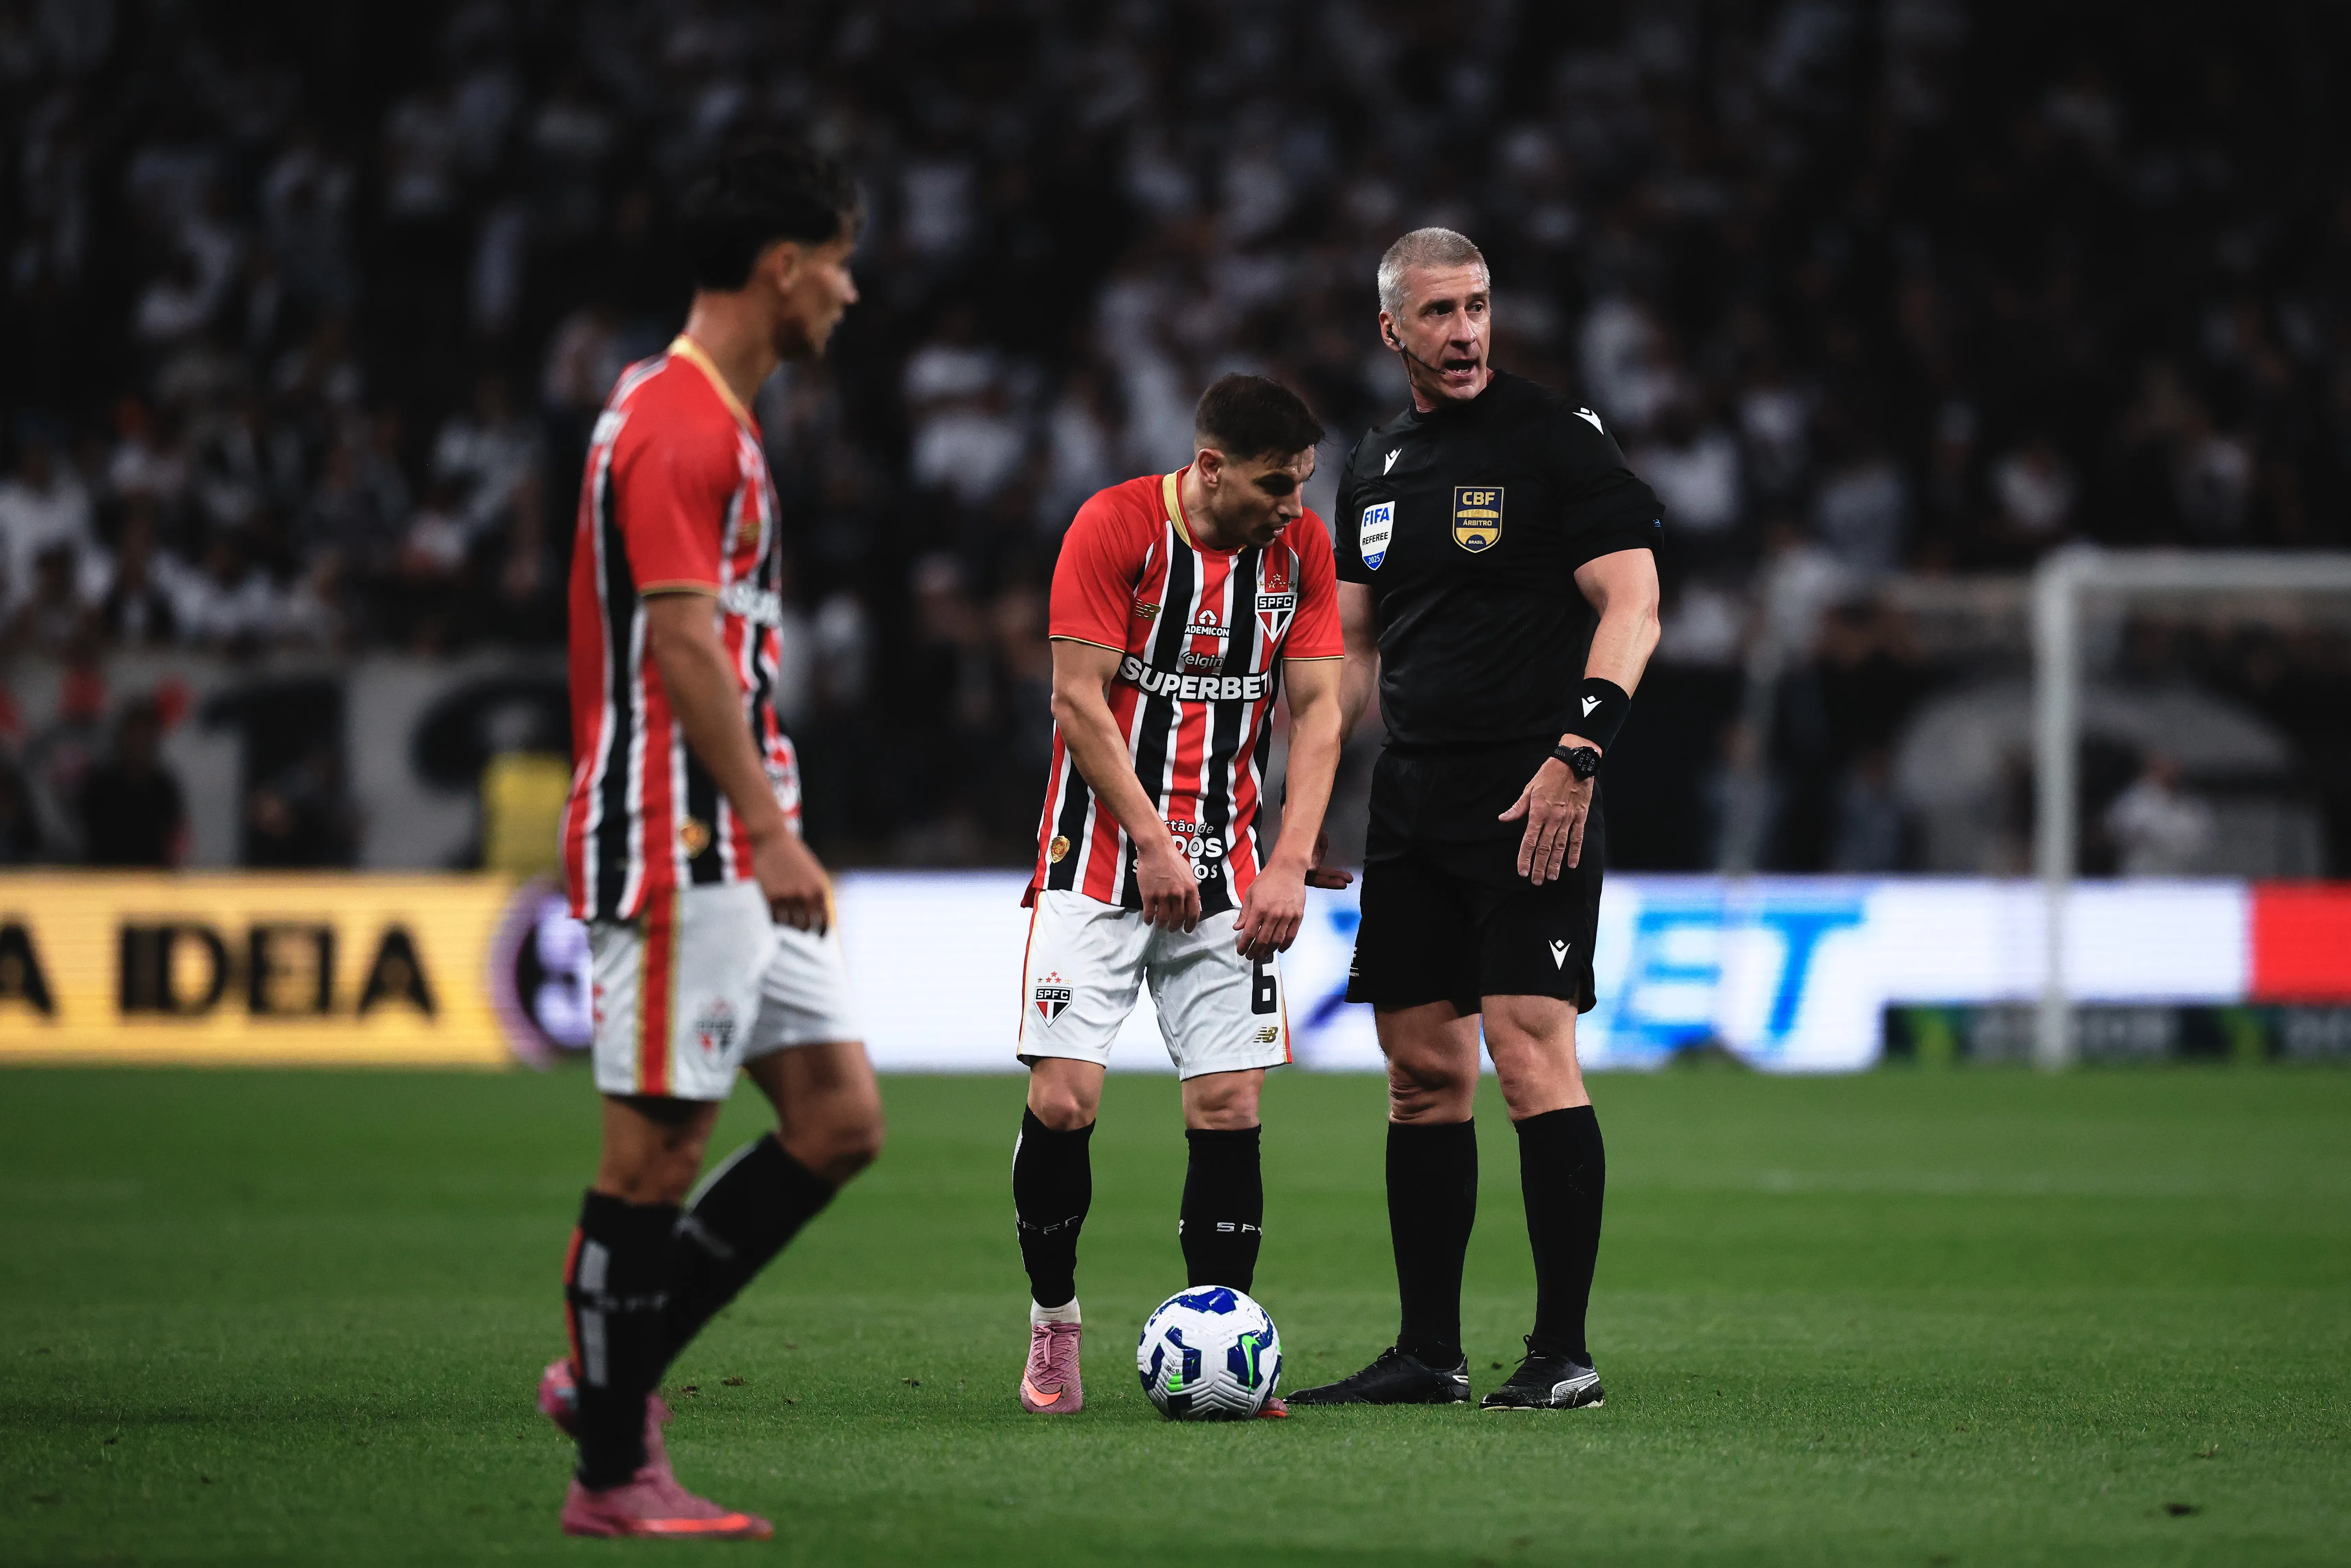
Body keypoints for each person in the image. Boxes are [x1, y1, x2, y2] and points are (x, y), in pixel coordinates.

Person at [539, 142, 884, 1540]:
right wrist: (769, 829)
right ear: (784, 267)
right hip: (680, 834)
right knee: (654, 1158)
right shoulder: (678, 424)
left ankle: (606, 1374)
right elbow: (682, 648)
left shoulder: (713, 421)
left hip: (731, 838)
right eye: (840, 265)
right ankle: (613, 1469)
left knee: (838, 1121)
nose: (850, 293)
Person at [1288, 228, 1663, 1412]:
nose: (1465, 332)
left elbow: (1634, 604)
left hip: (1534, 789)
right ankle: (1428, 1355)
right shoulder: (1374, 463)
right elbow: (1351, 648)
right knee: (1419, 1074)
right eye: (1440, 313)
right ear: (1392, 330)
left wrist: (1578, 754)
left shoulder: (1556, 437)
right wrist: (1307, 798)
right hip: (1414, 798)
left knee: (1528, 1045)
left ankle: (1564, 1354)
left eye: (1479, 307)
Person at [1011, 373, 1351, 1418]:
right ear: (1210, 469)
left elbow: (1320, 709)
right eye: (1275, 484)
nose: (1294, 504)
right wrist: (1154, 845)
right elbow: (1077, 701)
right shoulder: (1114, 527)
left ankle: (1228, 1343)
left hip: (1232, 871)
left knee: (1229, 1104)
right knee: (1065, 1101)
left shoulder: (1301, 550)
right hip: (1096, 862)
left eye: (1302, 483)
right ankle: (1055, 1325)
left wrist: (1289, 857)